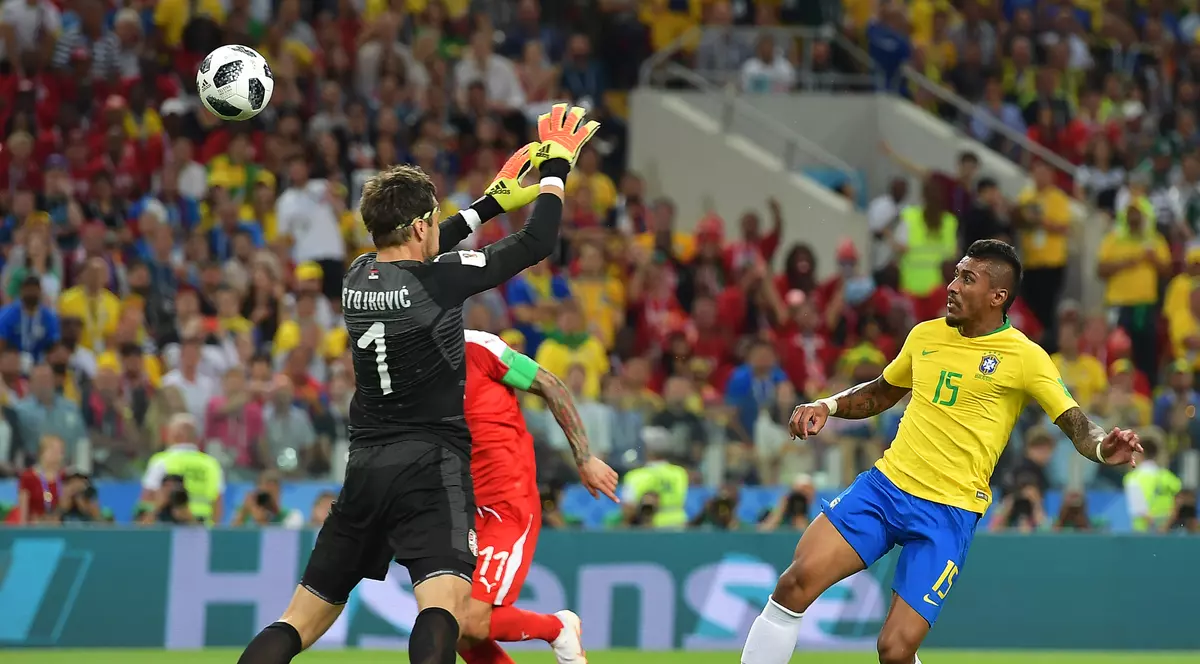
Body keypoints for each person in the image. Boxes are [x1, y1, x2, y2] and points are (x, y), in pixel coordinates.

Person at [236, 104, 598, 664]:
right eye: (433, 218)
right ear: (420, 226)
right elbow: (536, 244)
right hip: (432, 472)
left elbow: (431, 242)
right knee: (443, 614)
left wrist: (489, 204)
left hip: (365, 471)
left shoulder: (357, 274)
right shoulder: (441, 280)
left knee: (297, 622)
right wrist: (557, 170)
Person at [740, 240, 1143, 664]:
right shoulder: (925, 336)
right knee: (794, 584)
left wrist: (1101, 447)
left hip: (947, 513)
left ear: (997, 296)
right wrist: (828, 405)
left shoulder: (1026, 357)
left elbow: (1076, 424)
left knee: (895, 650)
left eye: (967, 278)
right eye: (955, 274)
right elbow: (880, 393)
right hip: (885, 489)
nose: (951, 286)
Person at [458, 329, 617, 664]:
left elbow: (550, 383)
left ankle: (556, 628)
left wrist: (584, 457)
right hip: (458, 507)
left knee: (468, 622)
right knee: (449, 623)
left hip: (505, 500)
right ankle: (558, 628)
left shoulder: (477, 348)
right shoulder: (405, 368)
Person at [140, 413, 225, 524]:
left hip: (169, 526)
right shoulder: (211, 464)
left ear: (175, 435)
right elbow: (217, 505)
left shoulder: (161, 461)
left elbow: (147, 500)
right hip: (202, 527)